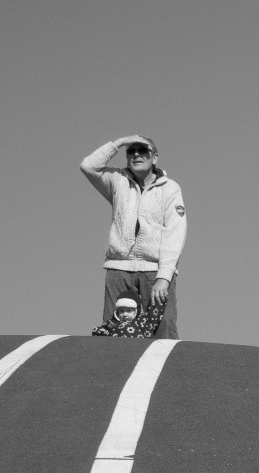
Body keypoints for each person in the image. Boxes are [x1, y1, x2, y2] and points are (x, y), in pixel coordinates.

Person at [80, 134, 187, 339]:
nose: (136, 154)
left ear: (154, 157)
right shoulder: (117, 180)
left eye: (143, 150)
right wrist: (120, 143)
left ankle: (166, 371)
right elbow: (88, 166)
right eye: (131, 151)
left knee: (163, 330)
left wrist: (164, 277)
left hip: (154, 271)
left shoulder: (170, 188)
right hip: (119, 269)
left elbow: (175, 233)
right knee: (113, 332)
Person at [90, 294, 165, 338]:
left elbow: (154, 314)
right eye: (121, 311)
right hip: (119, 353)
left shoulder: (142, 322)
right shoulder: (111, 324)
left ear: (136, 311)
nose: (125, 314)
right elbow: (98, 334)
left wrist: (159, 296)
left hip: (139, 350)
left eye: (129, 311)